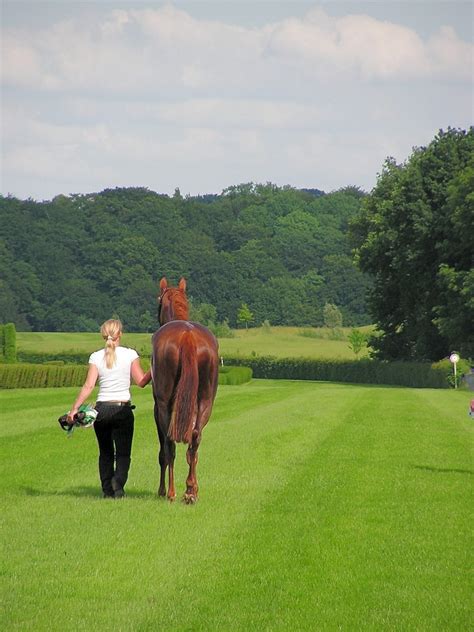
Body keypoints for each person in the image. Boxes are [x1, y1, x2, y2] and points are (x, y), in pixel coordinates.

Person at [67, 319, 151, 499]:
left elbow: (89, 386)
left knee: (105, 453)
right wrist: (154, 369)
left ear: (103, 335)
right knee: (123, 453)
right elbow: (141, 382)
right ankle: (117, 485)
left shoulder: (96, 357)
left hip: (101, 411)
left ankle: (107, 490)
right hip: (122, 410)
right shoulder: (130, 355)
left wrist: (74, 409)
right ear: (120, 334)